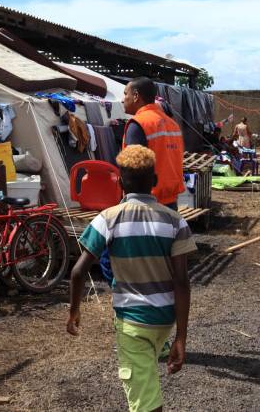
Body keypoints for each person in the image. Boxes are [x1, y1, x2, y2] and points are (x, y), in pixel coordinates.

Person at [68, 145, 197, 412]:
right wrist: (181, 337)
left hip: (133, 323)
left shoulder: (108, 219)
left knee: (145, 402)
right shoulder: (175, 222)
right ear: (155, 182)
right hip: (164, 321)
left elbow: (78, 272)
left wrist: (74, 311)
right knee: (146, 379)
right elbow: (182, 282)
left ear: (121, 183)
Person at [121, 77, 185, 210]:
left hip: (145, 204)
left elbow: (133, 169)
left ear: (136, 96)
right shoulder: (173, 124)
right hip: (171, 202)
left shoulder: (139, 124)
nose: (123, 99)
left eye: (125, 94)